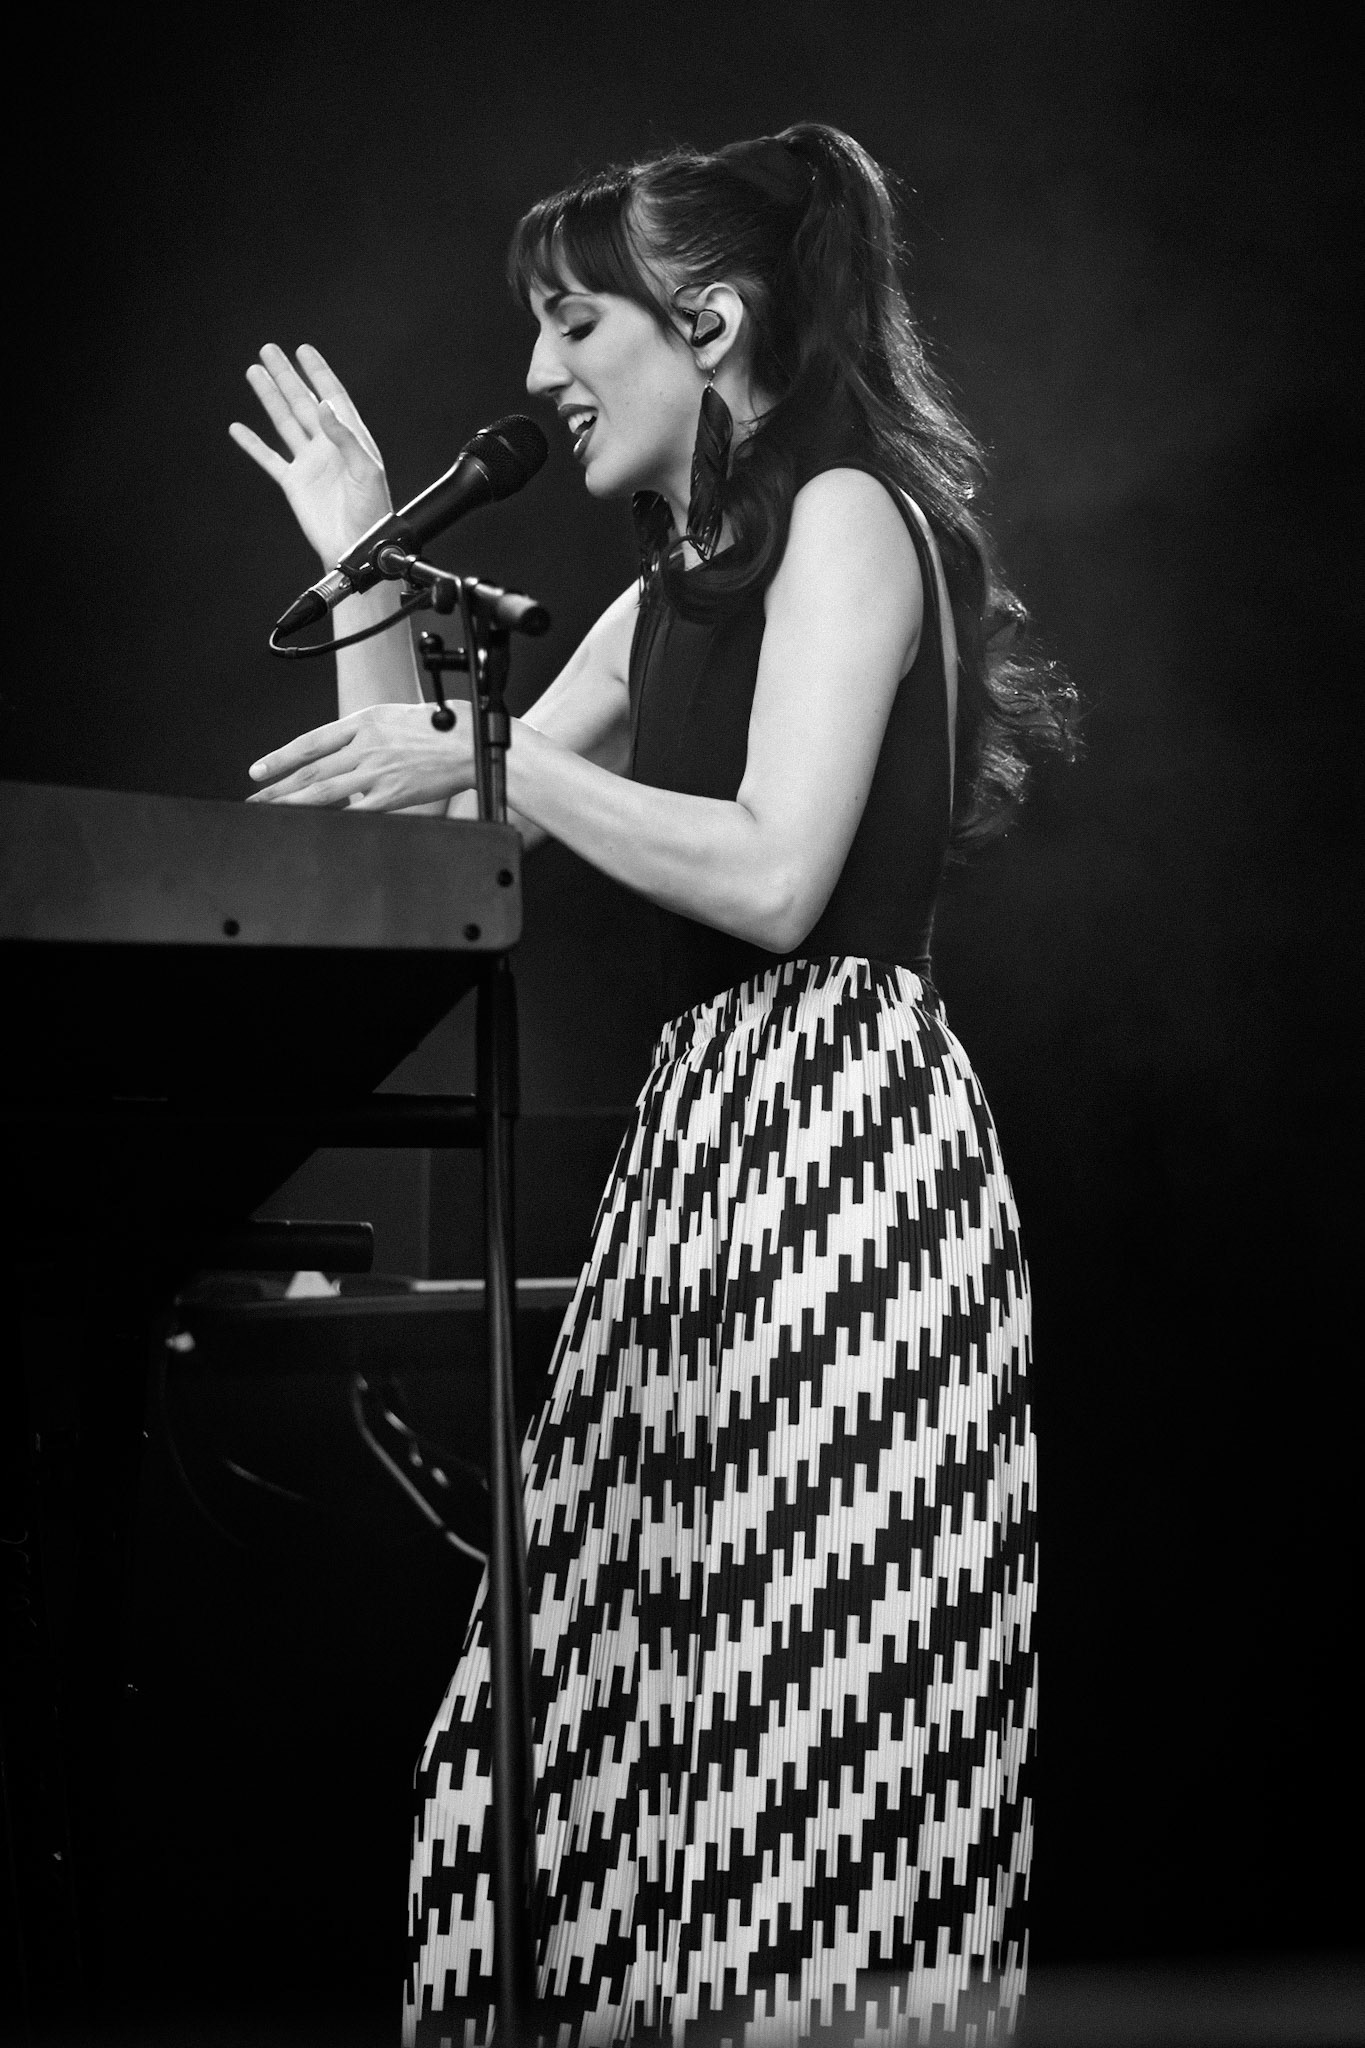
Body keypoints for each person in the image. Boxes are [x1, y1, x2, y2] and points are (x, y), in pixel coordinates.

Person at [234, 122, 1075, 2046]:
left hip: (847, 1163)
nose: (536, 376)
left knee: (811, 1769)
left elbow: (779, 873)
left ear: (707, 322)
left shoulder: (852, 514)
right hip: (699, 1169)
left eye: (571, 323)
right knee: (564, 1757)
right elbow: (431, 849)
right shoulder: (672, 582)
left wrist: (497, 764)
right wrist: (369, 564)